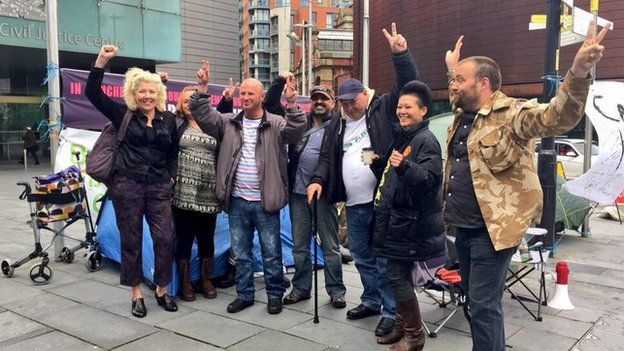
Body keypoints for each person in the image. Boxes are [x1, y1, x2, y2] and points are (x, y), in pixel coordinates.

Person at [443, 21, 610, 351]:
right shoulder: (465, 113)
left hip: (492, 232)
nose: (454, 86)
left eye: (461, 80)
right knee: (477, 303)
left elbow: (558, 116)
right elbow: (455, 95)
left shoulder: (512, 114)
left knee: (483, 306)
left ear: (485, 83)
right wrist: (453, 70)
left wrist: (577, 72)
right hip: (461, 227)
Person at [307, 23, 419, 337]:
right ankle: (371, 299)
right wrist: (317, 179)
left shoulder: (381, 108)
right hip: (353, 205)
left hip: (379, 202)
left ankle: (389, 309)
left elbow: (408, 83)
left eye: (351, 101)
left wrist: (401, 54)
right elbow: (327, 157)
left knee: (382, 260)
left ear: (363, 95)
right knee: (361, 256)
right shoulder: (337, 123)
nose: (347, 106)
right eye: (342, 102)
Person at [189, 60, 306, 315]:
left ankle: (275, 295)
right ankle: (245, 295)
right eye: (242, 93)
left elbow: (297, 133)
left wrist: (293, 104)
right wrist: (202, 86)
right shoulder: (228, 122)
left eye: (251, 93)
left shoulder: (276, 123)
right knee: (241, 253)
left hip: (266, 201)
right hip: (237, 200)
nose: (245, 97)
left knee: (272, 253)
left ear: (262, 96)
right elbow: (203, 114)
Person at [85, 45, 179, 318]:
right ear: (134, 94)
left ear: (158, 94)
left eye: (152, 91)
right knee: (132, 239)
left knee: (164, 238)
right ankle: (136, 292)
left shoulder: (167, 119)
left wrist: (171, 175)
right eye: (142, 91)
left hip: (160, 186)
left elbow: (173, 152)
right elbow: (93, 93)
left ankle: (162, 288)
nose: (147, 96)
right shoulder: (123, 114)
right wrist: (102, 60)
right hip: (128, 185)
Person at [372, 81, 445, 350]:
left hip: (411, 225)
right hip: (398, 223)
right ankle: (403, 327)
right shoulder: (405, 137)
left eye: (408, 107)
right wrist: (383, 163)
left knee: (396, 276)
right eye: (400, 106)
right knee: (396, 274)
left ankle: (414, 335)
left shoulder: (426, 141)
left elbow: (428, 179)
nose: (402, 111)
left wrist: (404, 166)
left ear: (423, 110)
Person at [264, 79, 348, 309]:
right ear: (309, 102)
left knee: (330, 246)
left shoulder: (339, 126)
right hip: (298, 193)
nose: (319, 102)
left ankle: (336, 291)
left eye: (324, 99)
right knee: (300, 245)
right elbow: (270, 104)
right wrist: (282, 85)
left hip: (324, 194)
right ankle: (301, 288)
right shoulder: (298, 121)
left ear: (333, 103)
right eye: (315, 98)